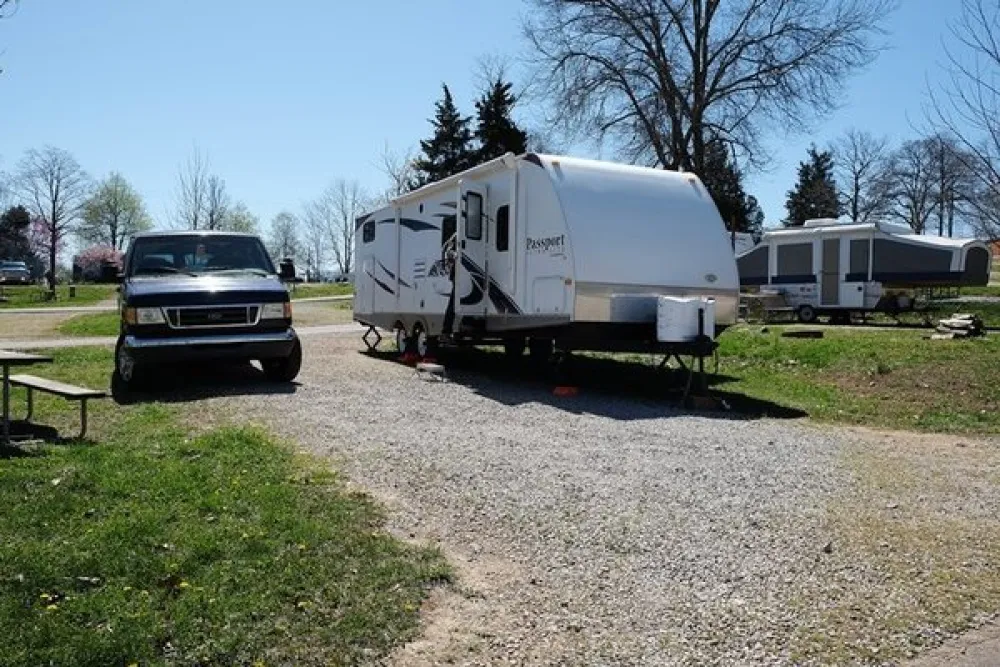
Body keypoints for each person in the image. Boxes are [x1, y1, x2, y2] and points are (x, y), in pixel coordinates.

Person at [441, 237, 457, 336]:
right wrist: (455, 255)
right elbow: (448, 250)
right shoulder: (457, 234)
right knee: (453, 302)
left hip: (466, 274)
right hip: (458, 275)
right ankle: (446, 329)